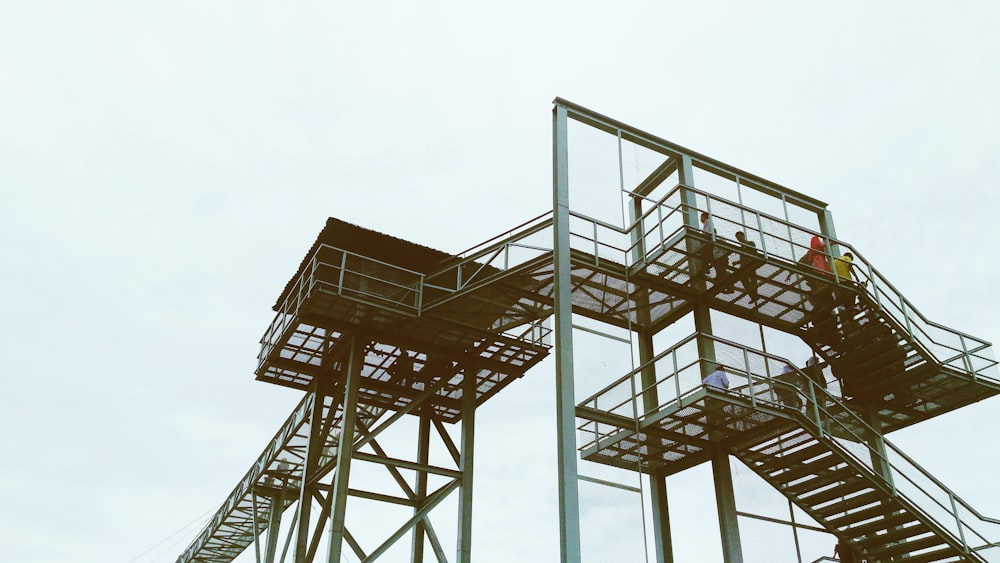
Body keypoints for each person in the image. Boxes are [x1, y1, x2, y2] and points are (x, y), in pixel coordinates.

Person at [734, 231, 761, 305]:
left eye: (740, 237)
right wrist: (737, 262)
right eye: (737, 238)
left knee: (753, 280)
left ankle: (754, 295)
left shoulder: (750, 243)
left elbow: (754, 253)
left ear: (743, 236)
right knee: (744, 281)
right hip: (743, 266)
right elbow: (743, 258)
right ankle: (753, 296)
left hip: (750, 264)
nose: (739, 239)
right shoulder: (741, 247)